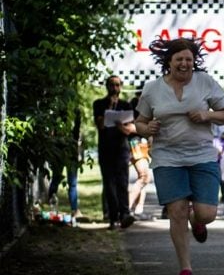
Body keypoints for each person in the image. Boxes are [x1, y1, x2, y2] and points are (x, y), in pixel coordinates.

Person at [134, 37, 224, 275]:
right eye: (179, 59)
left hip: (201, 155)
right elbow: (139, 122)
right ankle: (185, 268)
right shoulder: (152, 88)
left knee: (207, 214)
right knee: (176, 213)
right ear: (169, 62)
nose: (185, 63)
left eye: (189, 59)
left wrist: (207, 114)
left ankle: (197, 219)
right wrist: (148, 127)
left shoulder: (205, 82)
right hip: (167, 157)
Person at [93, 75, 136, 230]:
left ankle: (125, 214)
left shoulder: (126, 105)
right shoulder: (99, 104)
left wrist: (120, 127)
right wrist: (109, 110)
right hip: (105, 149)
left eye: (117, 85)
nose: (115, 88)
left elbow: (131, 128)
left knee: (122, 183)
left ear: (121, 87)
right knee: (109, 184)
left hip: (121, 149)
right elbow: (100, 125)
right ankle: (112, 218)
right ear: (107, 86)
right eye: (112, 85)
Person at [47, 108, 83, 218]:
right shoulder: (58, 127)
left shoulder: (71, 129)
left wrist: (77, 116)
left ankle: (74, 209)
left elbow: (76, 133)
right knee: (58, 180)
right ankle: (54, 207)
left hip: (70, 156)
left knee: (70, 183)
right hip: (62, 155)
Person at [128, 85, 151, 218]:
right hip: (135, 143)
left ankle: (137, 209)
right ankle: (127, 209)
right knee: (144, 177)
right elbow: (131, 126)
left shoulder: (142, 104)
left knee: (143, 177)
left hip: (140, 143)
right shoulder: (134, 104)